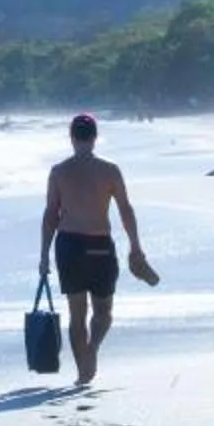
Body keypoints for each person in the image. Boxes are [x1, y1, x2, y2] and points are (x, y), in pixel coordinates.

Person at [40, 112, 156, 386]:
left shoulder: (58, 172)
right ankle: (91, 352)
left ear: (72, 137)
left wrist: (44, 255)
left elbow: (50, 216)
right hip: (99, 246)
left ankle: (83, 372)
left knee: (77, 314)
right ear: (94, 137)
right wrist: (135, 247)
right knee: (103, 311)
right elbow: (125, 210)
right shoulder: (110, 170)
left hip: (68, 246)